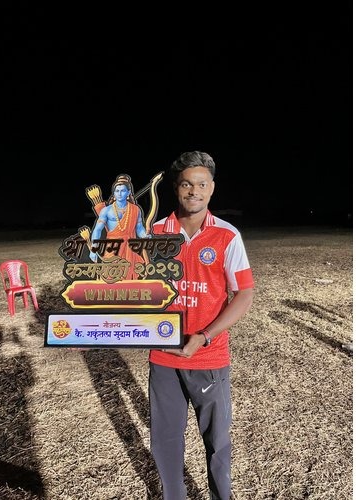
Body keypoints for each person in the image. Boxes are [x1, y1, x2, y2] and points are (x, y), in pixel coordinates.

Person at [148, 151, 255, 500]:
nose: (194, 191)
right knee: (165, 441)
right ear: (176, 188)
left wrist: (204, 336)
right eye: (186, 184)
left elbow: (244, 294)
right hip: (164, 356)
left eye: (201, 184)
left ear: (212, 188)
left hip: (209, 357)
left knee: (217, 441)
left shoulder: (227, 235)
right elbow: (133, 288)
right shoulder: (154, 233)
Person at [89, 174, 150, 279]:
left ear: (128, 192)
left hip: (130, 247)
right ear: (114, 193)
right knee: (110, 276)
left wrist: (145, 235)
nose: (119, 194)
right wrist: (93, 249)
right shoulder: (106, 210)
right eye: (117, 191)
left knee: (130, 277)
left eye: (122, 191)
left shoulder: (136, 209)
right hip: (113, 247)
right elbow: (97, 230)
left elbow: (139, 228)